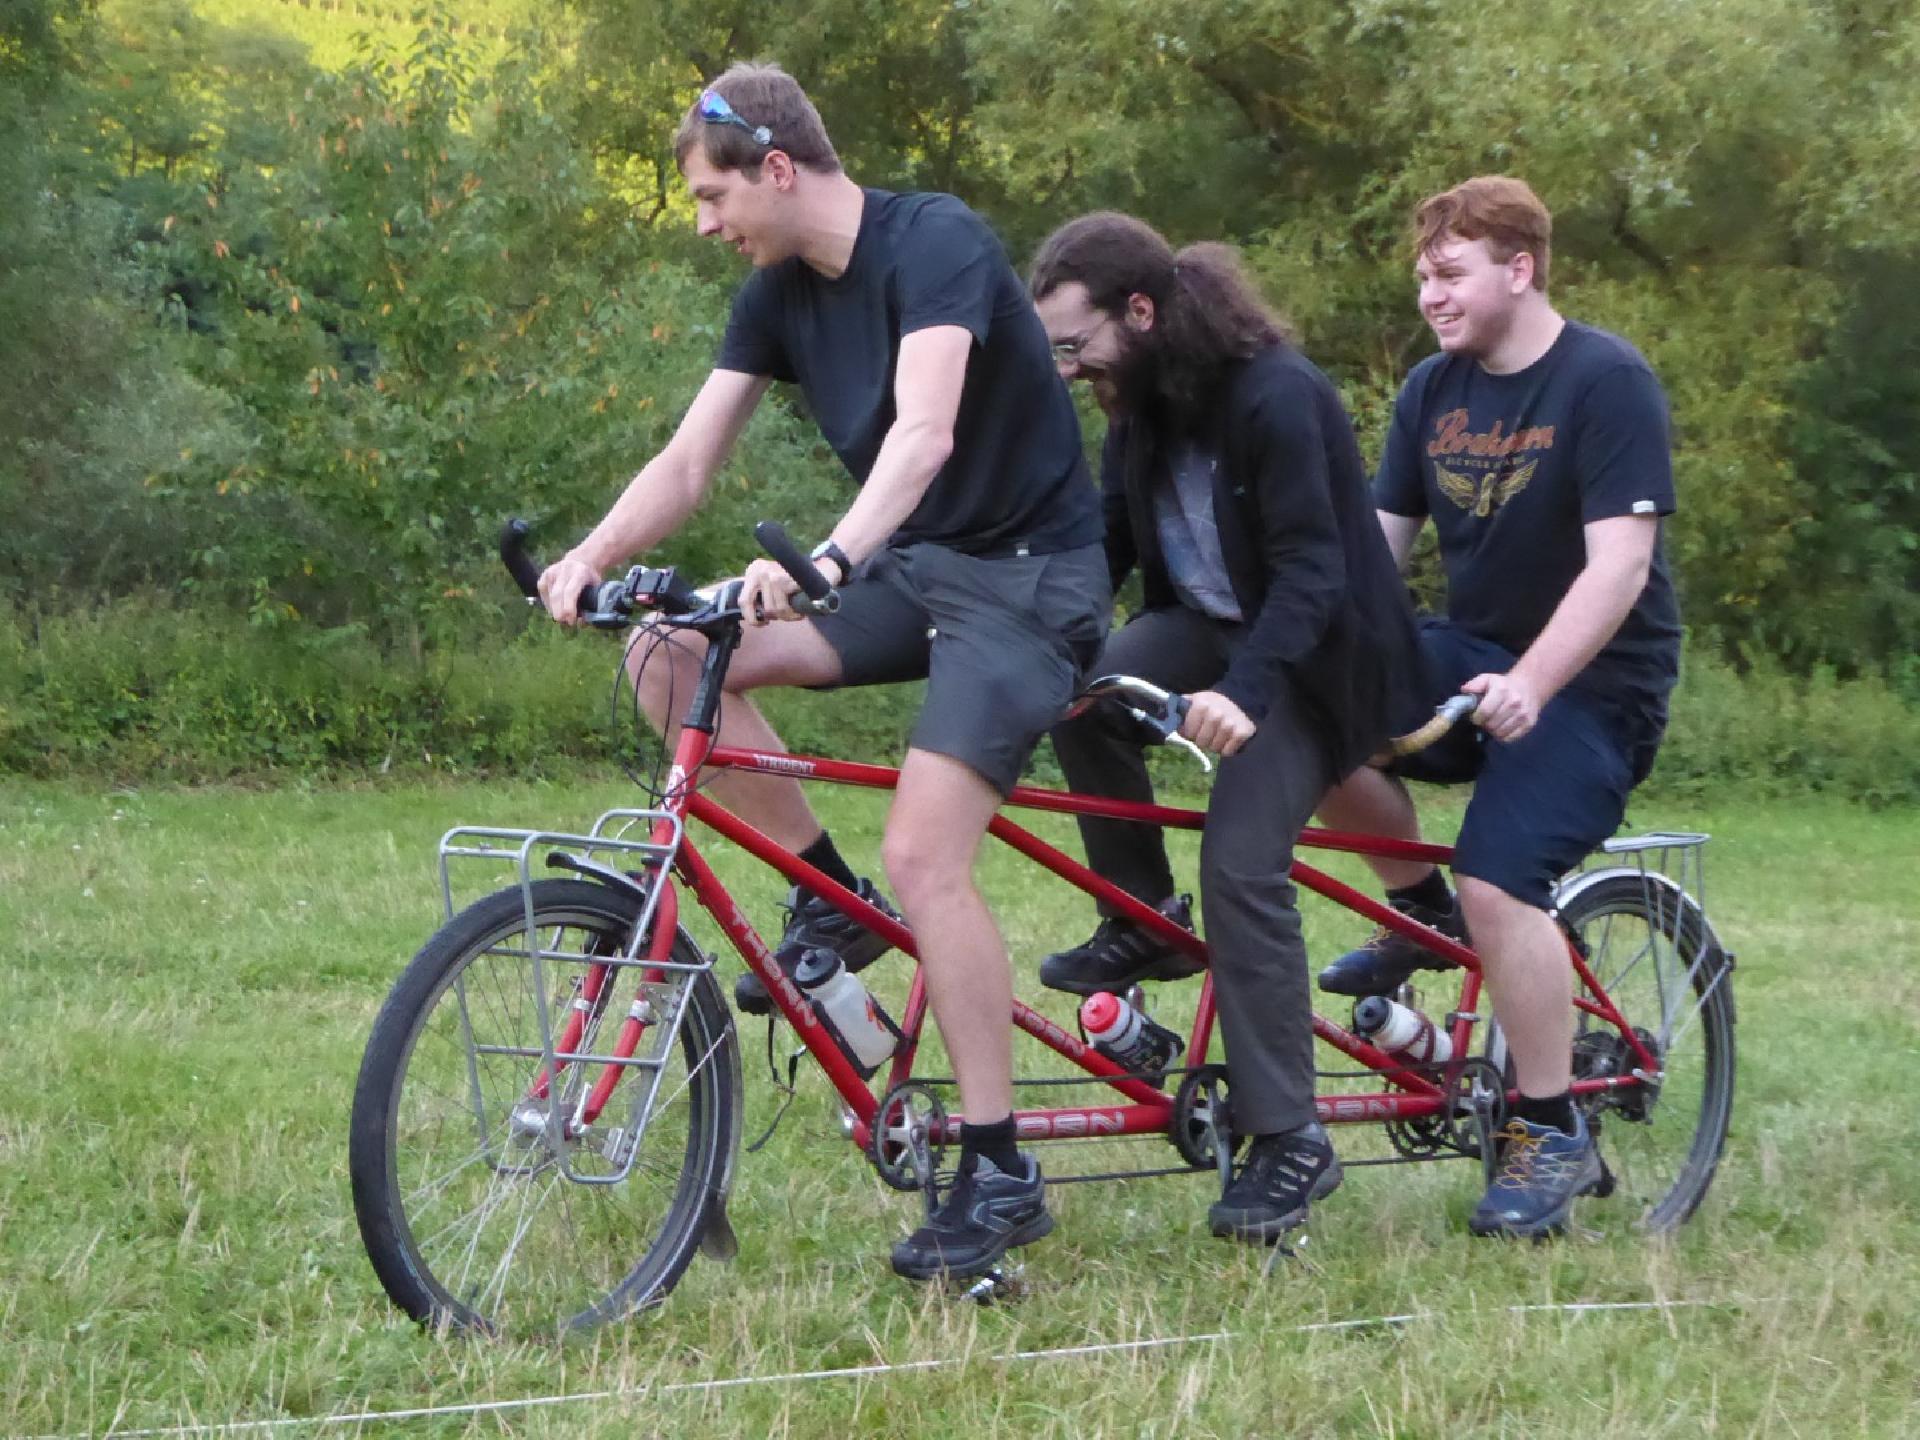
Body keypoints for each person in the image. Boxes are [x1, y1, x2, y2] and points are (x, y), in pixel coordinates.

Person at [537, 64, 1110, 1282]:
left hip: (1028, 582)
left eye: (709, 196)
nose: (703, 224)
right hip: (917, 572)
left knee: (927, 852)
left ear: (778, 170)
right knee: (667, 649)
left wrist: (836, 555)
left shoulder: (936, 240)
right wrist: (591, 553)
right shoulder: (778, 292)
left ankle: (999, 1169)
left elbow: (925, 432)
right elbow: (691, 459)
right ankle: (823, 899)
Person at [1027, 213, 1424, 1244]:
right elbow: (1108, 541)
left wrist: (1246, 695)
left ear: (1144, 313)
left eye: (1077, 346)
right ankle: (1145, 924)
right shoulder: (1137, 403)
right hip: (1207, 630)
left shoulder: (1278, 395)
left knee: (1243, 864)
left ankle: (1291, 1137)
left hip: (1317, 660)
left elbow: (1312, 572)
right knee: (1083, 695)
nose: (1068, 369)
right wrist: (1036, 634)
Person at [1314, 176, 1683, 1239]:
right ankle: (1418, 912)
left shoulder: (1605, 382)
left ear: (1519, 271)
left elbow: (1618, 570)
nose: (1430, 295)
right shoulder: (1432, 391)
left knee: (1499, 879)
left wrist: (1535, 683)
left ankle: (1549, 1126)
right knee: (1317, 704)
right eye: (1423, 277)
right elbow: (1375, 564)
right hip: (1475, 657)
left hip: (1596, 687)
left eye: (1450, 275)